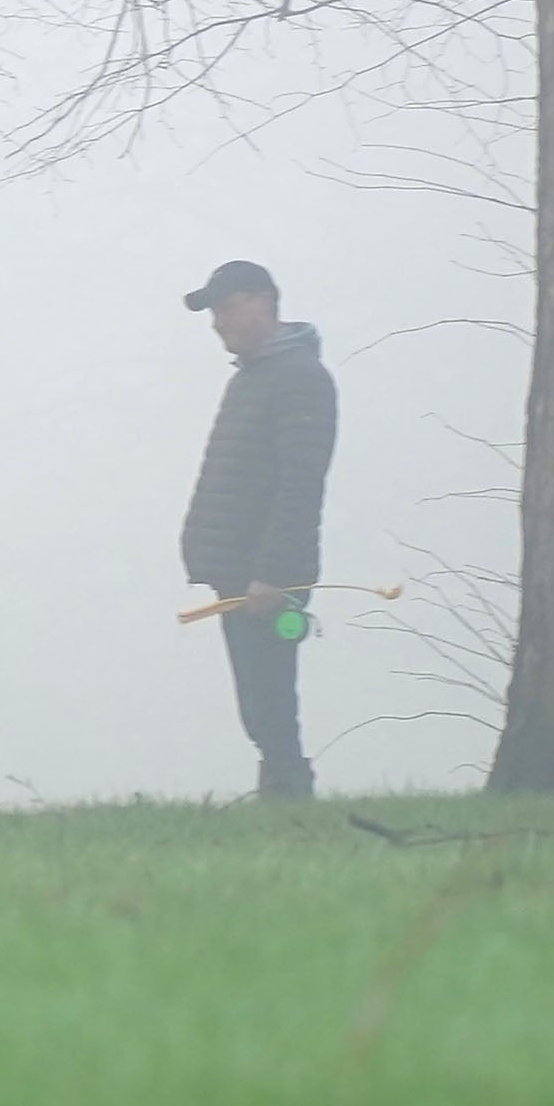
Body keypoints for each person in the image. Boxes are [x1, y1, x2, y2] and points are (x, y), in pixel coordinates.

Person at [175, 259, 338, 801]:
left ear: (263, 302)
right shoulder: (254, 378)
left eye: (225, 307)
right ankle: (281, 788)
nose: (217, 322)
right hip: (236, 570)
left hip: (266, 576)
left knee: (270, 695)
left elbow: (300, 484)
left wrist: (273, 574)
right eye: (214, 311)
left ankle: (290, 791)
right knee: (257, 697)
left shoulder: (300, 379)